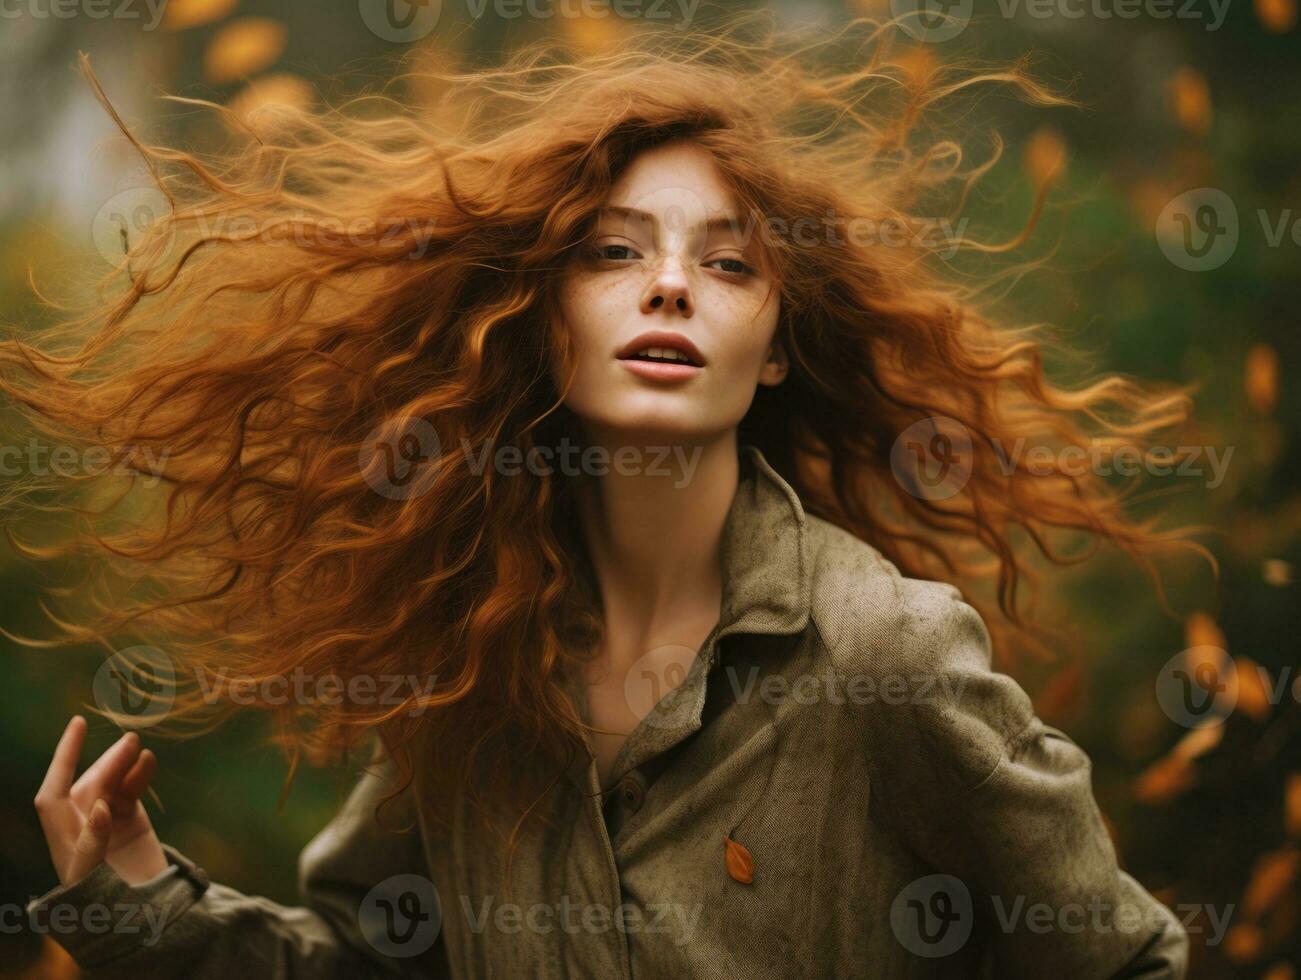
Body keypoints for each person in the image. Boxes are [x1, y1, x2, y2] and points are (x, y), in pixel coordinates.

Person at [14, 16, 1200, 979]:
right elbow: (381, 963)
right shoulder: (470, 665)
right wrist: (137, 899)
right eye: (613, 251)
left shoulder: (883, 653)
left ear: (775, 345)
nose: (673, 286)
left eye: (730, 263)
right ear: (541, 320)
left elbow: (1123, 958)